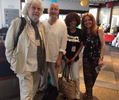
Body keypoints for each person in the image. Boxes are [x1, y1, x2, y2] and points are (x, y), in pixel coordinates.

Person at [5, 0, 46, 100]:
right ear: (27, 9)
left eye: (38, 8)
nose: (36, 10)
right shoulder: (18, 23)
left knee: (32, 93)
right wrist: (12, 61)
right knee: (26, 95)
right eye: (33, 8)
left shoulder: (41, 26)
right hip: (24, 66)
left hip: (37, 67)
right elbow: (9, 45)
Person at [38, 2, 67, 95]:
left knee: (54, 77)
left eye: (55, 9)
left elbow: (63, 43)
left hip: (55, 56)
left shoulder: (62, 25)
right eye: (51, 9)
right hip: (43, 55)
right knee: (43, 75)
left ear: (58, 11)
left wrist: (59, 58)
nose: (53, 11)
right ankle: (42, 89)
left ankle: (54, 92)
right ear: (48, 10)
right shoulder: (42, 24)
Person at [81, 12, 105, 100]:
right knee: (87, 77)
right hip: (86, 57)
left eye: (89, 20)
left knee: (94, 77)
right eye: (85, 21)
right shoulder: (84, 31)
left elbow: (103, 45)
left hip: (97, 58)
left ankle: (87, 91)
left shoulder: (99, 29)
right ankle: (89, 97)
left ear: (93, 20)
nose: (87, 22)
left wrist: (101, 59)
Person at [61, 12, 83, 100]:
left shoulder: (80, 32)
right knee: (65, 76)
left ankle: (77, 96)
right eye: (70, 21)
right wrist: (65, 58)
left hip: (75, 59)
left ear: (77, 21)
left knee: (76, 78)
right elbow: (60, 45)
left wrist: (74, 58)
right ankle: (66, 94)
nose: (72, 23)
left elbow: (81, 46)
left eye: (74, 21)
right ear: (68, 22)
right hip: (64, 58)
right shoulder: (64, 31)